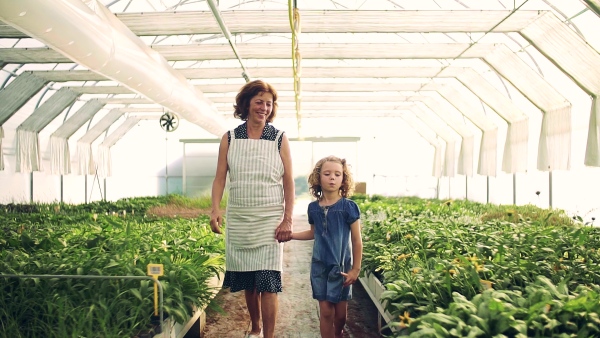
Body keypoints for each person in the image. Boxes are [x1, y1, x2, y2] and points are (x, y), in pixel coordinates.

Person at [210, 80, 294, 338]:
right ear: (246, 103)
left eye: (269, 103)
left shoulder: (279, 138)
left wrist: (287, 218)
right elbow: (220, 177)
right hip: (240, 218)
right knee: (250, 281)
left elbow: (288, 180)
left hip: (270, 219)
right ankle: (255, 328)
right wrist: (215, 209)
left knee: (269, 281)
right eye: (259, 102)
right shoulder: (231, 138)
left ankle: (267, 335)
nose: (264, 108)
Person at [291, 156, 363, 338]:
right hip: (320, 266)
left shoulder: (349, 207)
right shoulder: (313, 208)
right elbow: (313, 233)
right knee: (326, 312)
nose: (332, 177)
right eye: (327, 173)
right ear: (318, 178)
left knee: (340, 315)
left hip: (342, 268)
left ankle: (338, 332)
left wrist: (355, 269)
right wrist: (291, 235)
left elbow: (356, 240)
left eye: (337, 174)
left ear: (343, 180)